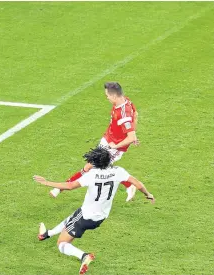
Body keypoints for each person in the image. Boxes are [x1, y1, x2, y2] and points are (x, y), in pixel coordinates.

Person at [34, 146, 155, 275]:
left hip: (86, 216)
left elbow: (69, 186)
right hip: (101, 216)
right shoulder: (118, 171)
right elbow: (138, 184)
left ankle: (84, 256)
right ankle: (47, 234)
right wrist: (148, 194)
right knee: (72, 217)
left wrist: (46, 182)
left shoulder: (92, 175)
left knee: (61, 244)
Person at [50, 82, 139, 201]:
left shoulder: (124, 115)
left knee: (91, 167)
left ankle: (60, 188)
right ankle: (130, 185)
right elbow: (136, 115)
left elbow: (131, 136)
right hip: (107, 139)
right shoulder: (125, 100)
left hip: (116, 146)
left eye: (107, 95)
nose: (106, 97)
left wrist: (121, 142)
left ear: (114, 96)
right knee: (99, 167)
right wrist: (133, 133)